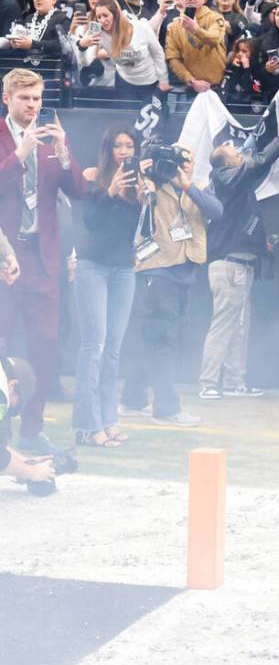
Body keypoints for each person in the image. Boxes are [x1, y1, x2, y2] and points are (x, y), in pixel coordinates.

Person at [0, 69, 85, 455]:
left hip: (42, 255)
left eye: (36, 98)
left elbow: (78, 189)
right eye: (24, 98)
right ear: (7, 99)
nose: (32, 106)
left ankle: (32, 430)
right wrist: (19, 154)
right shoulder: (5, 139)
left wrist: (65, 151)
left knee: (45, 344)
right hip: (5, 255)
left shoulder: (51, 140)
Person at [198, 110, 279, 400]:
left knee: (240, 327)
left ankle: (234, 382)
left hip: (241, 266)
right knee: (224, 325)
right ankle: (208, 382)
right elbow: (260, 162)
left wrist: (261, 245)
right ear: (225, 163)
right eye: (232, 149)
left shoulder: (238, 185)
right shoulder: (224, 178)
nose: (238, 150)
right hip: (228, 266)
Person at [119, 144, 222, 426]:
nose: (181, 167)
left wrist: (187, 185)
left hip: (185, 268)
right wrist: (144, 174)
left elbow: (217, 211)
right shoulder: (151, 183)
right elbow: (132, 196)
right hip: (158, 267)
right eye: (176, 163)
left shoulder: (197, 187)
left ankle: (132, 399)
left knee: (158, 337)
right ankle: (166, 408)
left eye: (186, 162)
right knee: (162, 338)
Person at [72, 126, 150, 448]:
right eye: (117, 145)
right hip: (93, 267)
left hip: (124, 268)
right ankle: (87, 426)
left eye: (129, 145)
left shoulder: (138, 186)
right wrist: (111, 192)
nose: (123, 151)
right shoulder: (93, 177)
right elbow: (90, 222)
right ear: (108, 149)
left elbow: (145, 230)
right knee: (94, 346)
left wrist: (146, 199)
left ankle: (108, 419)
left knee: (113, 351)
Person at [164, 0, 227, 93]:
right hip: (190, 87)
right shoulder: (173, 26)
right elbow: (173, 59)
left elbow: (215, 39)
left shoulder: (215, 18)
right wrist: (191, 81)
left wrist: (195, 29)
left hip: (216, 87)